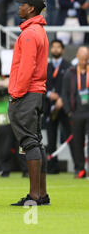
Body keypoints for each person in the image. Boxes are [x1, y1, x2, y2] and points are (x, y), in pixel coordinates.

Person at [8, 0, 50, 206]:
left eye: (22, 4)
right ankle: (41, 194)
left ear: (31, 8)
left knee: (29, 142)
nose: (19, 7)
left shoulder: (29, 34)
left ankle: (34, 196)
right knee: (36, 141)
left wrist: (16, 93)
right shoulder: (39, 31)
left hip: (27, 93)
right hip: (37, 92)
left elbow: (26, 68)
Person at [61, 46, 89, 178]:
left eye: (86, 59)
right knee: (77, 142)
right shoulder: (70, 73)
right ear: (77, 57)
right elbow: (64, 94)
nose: (84, 61)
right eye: (82, 58)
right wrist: (68, 112)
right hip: (76, 113)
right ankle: (79, 169)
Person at [45, 39, 71, 174]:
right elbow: (42, 85)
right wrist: (49, 94)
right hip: (50, 107)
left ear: (63, 50)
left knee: (70, 136)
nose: (55, 49)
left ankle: (79, 166)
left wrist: (62, 99)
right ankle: (52, 167)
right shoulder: (46, 66)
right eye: (53, 47)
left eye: (58, 47)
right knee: (51, 138)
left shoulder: (68, 66)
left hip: (64, 107)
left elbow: (71, 86)